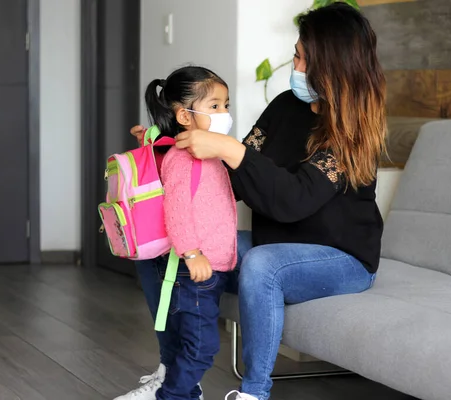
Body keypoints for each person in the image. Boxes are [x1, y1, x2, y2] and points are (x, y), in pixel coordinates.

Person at [132, 4, 386, 400]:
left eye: (302, 56)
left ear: (329, 64)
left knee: (262, 264)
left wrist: (230, 150)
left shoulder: (351, 133)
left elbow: (293, 200)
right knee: (163, 247)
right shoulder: (285, 105)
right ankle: (175, 376)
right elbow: (232, 178)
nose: (295, 63)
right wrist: (169, 150)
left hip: (341, 258)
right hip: (274, 242)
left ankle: (254, 393)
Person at [116, 66, 237, 400]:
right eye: (215, 106)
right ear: (185, 115)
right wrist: (192, 251)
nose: (224, 113)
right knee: (201, 346)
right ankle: (173, 395)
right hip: (197, 267)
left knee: (195, 341)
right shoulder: (185, 158)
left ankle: (178, 392)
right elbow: (178, 210)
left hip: (214, 265)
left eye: (226, 105)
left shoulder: (206, 151)